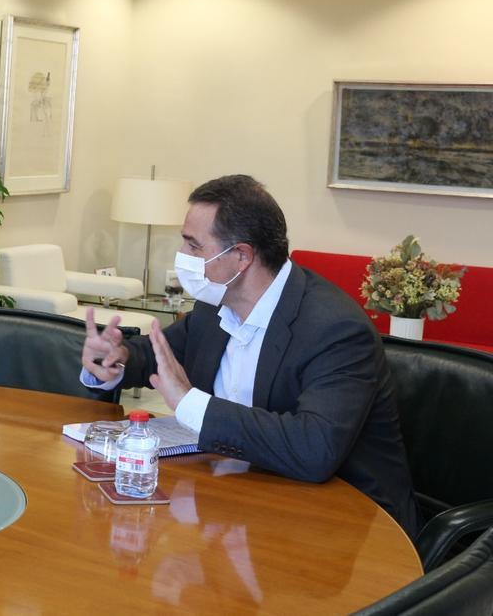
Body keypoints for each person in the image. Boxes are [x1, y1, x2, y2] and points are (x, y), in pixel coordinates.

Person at [81, 174, 418, 534]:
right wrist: (116, 358)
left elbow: (314, 450)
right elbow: (158, 357)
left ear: (241, 256)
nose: (183, 258)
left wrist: (192, 404)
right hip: (242, 501)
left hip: (344, 527)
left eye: (194, 246)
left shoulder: (335, 330)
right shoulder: (215, 305)